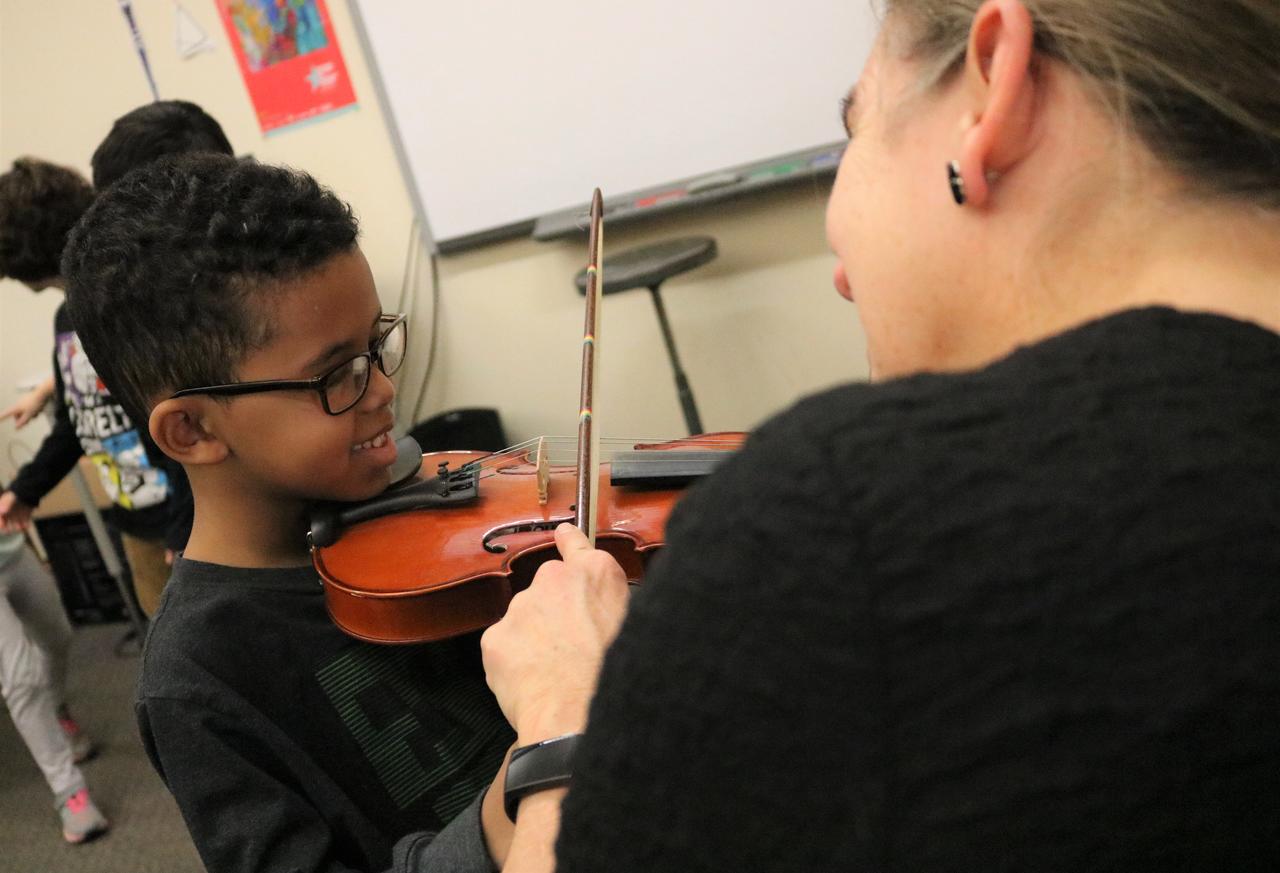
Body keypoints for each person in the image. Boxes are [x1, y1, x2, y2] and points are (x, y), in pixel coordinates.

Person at [480, 0, 1280, 870]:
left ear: (992, 87)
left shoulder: (848, 517)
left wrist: (565, 723)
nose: (840, 275)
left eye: (851, 128)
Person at [62, 153, 563, 872]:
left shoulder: (420, 512)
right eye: (338, 374)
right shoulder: (196, 681)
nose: (384, 387)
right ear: (194, 431)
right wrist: (534, 768)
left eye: (376, 344)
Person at [0, 521, 109, 843]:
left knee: (57, 637)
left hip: (12, 551)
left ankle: (57, 710)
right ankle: (70, 792)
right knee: (21, 679)